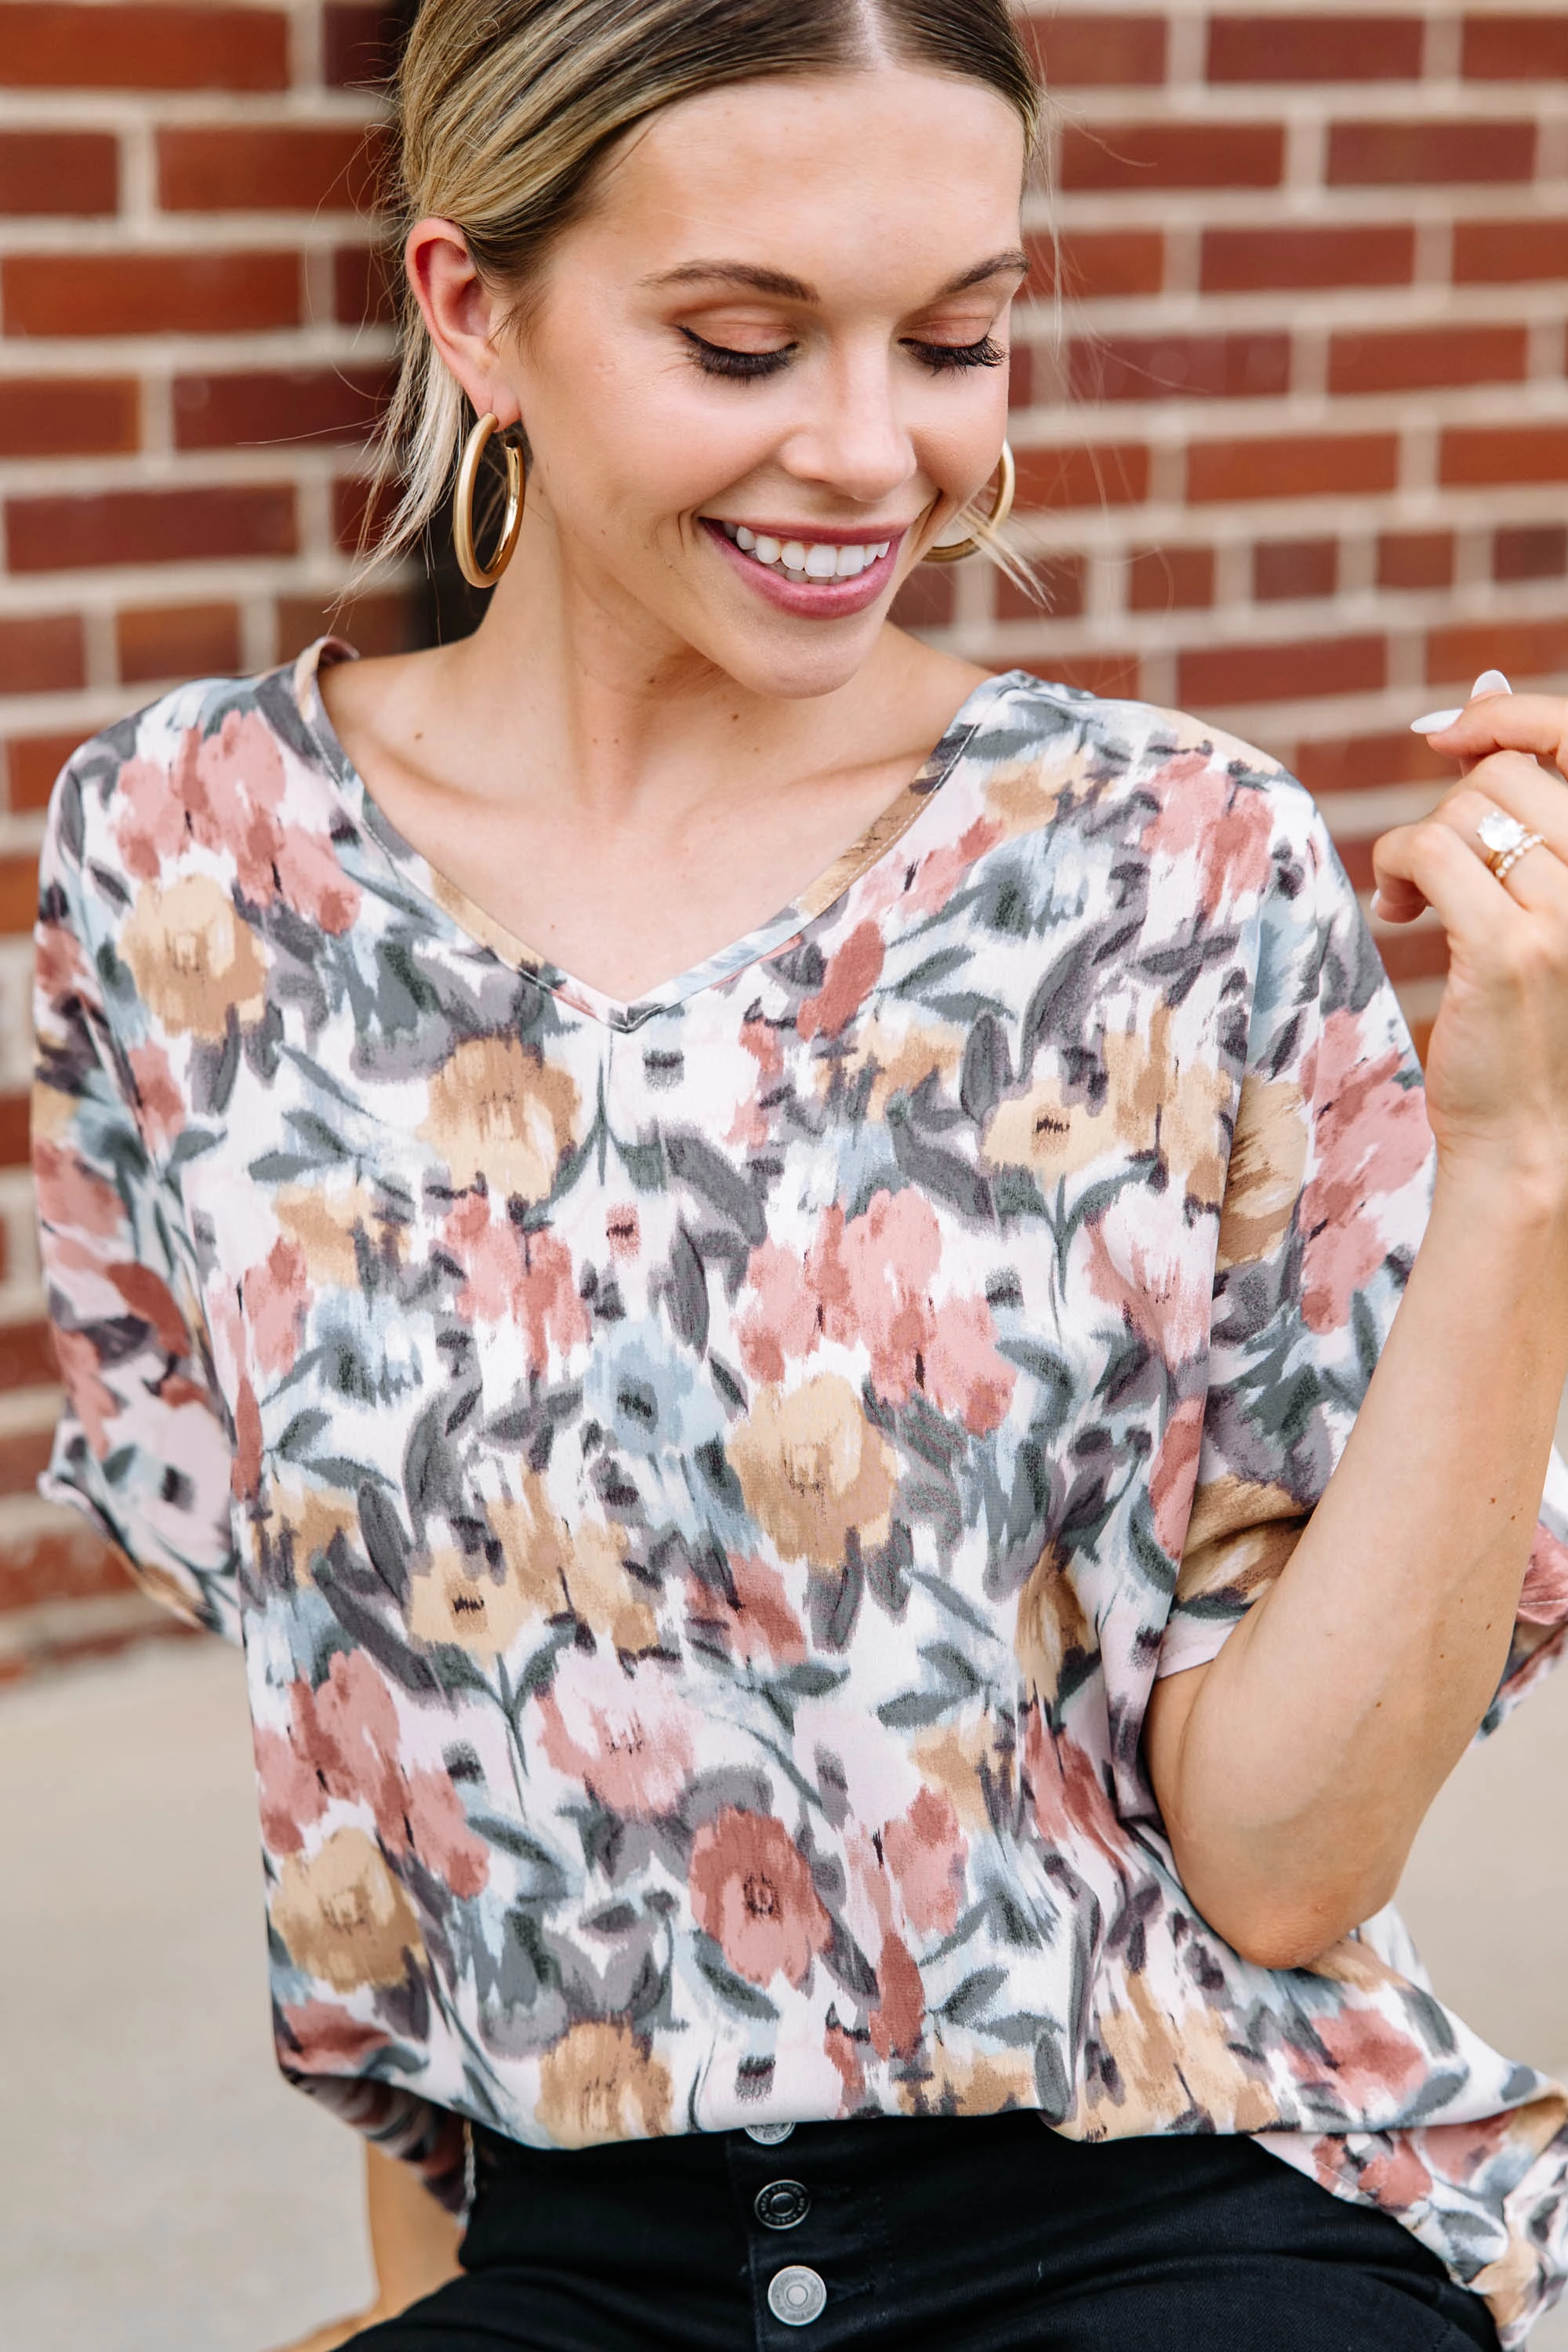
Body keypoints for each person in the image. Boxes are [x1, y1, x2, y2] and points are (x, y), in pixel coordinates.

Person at [31, 1, 1568, 2346]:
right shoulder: (179, 875)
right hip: (583, 2251)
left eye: (957, 340)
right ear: (475, 310)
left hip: (1165, 2196)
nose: (875, 454)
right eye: (745, 345)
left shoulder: (1176, 867)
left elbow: (1284, 1863)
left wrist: (1527, 1162)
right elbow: (369, 1776)